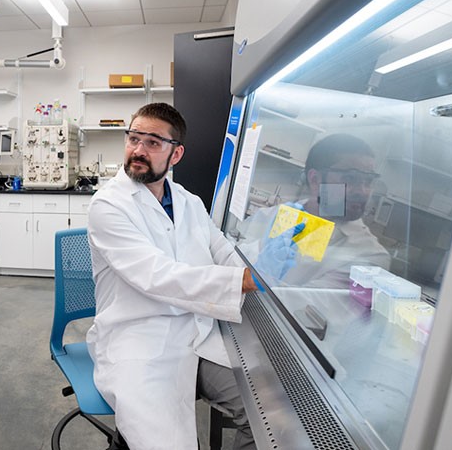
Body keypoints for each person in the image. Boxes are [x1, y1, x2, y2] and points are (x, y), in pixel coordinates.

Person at [86, 102, 302, 450]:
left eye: (153, 142)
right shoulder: (108, 205)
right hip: (140, 336)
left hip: (198, 330)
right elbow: (157, 276)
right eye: (134, 138)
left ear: (176, 154)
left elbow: (220, 251)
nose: (139, 150)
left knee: (270, 416)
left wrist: (262, 260)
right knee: (165, 441)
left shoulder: (189, 201)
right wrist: (244, 280)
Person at [240, 133, 391, 288]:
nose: (362, 191)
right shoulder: (271, 216)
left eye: (368, 181)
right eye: (350, 178)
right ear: (315, 179)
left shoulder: (370, 256)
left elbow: (300, 306)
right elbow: (231, 258)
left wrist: (251, 280)